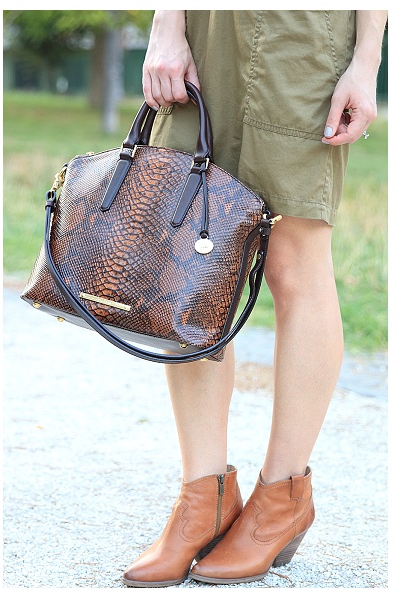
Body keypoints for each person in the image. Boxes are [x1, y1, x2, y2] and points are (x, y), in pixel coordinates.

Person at [122, 10, 387, 587]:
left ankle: (283, 497)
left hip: (306, 37)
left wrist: (367, 61)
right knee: (188, 261)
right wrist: (166, 25)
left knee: (293, 265)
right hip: (206, 27)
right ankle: (204, 496)